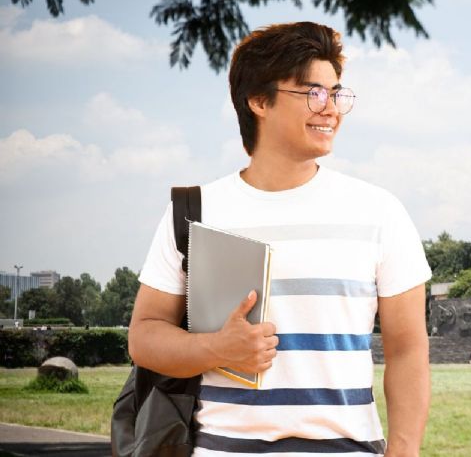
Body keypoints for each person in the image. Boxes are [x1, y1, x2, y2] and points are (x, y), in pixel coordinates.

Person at [127, 23, 431, 457]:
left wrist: (403, 452)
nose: (331, 109)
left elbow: (407, 348)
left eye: (336, 94)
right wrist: (216, 348)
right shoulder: (196, 211)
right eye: (313, 93)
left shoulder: (380, 212)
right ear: (258, 101)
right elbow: (144, 338)